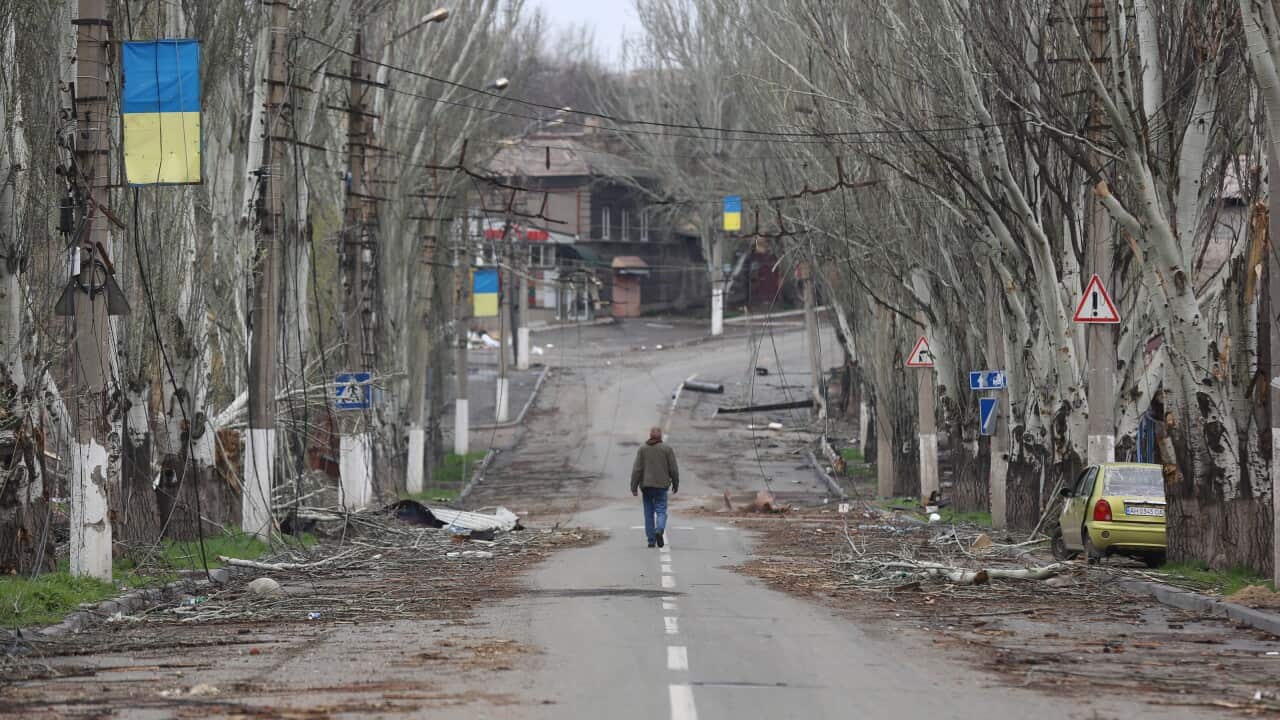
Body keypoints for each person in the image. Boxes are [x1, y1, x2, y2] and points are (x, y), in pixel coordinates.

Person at [630, 426, 680, 548]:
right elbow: (673, 469)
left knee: (648, 513)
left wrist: (634, 486)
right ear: (660, 436)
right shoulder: (667, 449)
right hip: (662, 486)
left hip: (646, 487)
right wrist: (675, 483)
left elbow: (637, 469)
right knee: (661, 510)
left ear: (650, 435)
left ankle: (651, 540)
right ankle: (659, 529)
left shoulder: (643, 449)